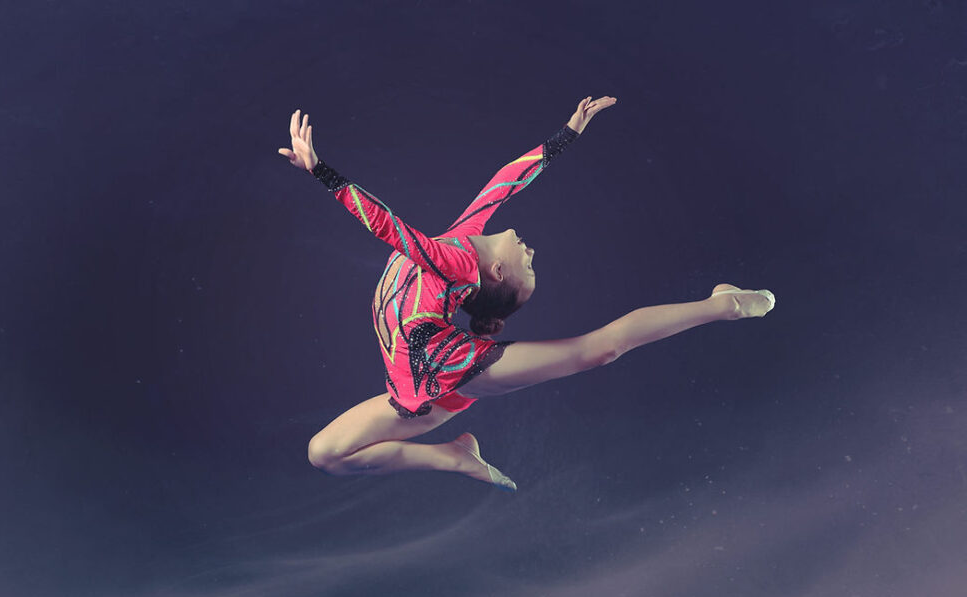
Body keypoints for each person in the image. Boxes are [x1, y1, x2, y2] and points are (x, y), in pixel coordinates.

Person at [279, 96, 775, 492]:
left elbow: (386, 226)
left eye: (528, 264)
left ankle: (723, 304)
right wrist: (568, 133)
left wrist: (322, 171)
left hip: (451, 370)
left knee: (596, 351)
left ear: (495, 271)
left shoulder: (450, 261)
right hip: (414, 389)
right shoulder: (464, 234)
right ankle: (453, 457)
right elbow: (507, 181)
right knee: (324, 455)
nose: (530, 248)